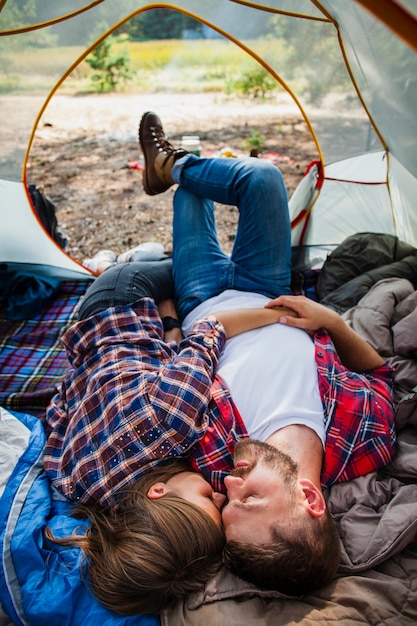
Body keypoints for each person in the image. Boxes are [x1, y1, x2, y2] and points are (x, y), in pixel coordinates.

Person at [43, 111, 396, 615]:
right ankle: (176, 160)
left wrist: (170, 318)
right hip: (269, 286)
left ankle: (174, 163)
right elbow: (381, 374)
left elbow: (174, 363)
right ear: (311, 500)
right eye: (247, 499)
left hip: (202, 298)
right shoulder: (365, 441)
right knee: (263, 178)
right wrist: (331, 323)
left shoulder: (208, 452)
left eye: (226, 504)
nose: (227, 487)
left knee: (191, 196)